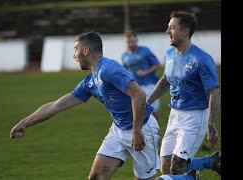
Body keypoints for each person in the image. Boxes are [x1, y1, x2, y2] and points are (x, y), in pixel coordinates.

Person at [10, 31, 161, 180]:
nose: (74, 55)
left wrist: (136, 131)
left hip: (143, 128)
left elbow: (139, 95)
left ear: (86, 50)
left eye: (75, 50)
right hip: (118, 129)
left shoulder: (109, 69)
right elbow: (56, 105)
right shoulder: (90, 82)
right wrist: (25, 122)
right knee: (96, 176)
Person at [147, 11, 221, 175]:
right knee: (165, 167)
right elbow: (166, 80)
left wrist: (210, 124)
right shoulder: (169, 54)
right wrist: (148, 101)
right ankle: (205, 165)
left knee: (177, 167)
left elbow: (214, 93)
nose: (167, 32)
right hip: (175, 115)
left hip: (195, 117)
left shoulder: (201, 59)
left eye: (172, 28)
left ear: (185, 31)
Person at [121, 31, 162, 120]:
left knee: (153, 110)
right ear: (125, 42)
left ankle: (156, 129)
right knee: (139, 112)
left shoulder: (145, 51)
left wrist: (145, 72)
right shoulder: (124, 56)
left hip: (149, 85)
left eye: (133, 41)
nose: (131, 44)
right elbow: (125, 72)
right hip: (135, 87)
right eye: (128, 42)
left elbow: (157, 65)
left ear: (136, 40)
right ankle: (144, 131)